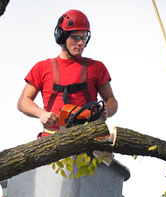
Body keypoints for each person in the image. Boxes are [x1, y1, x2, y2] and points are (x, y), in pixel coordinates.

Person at [17, 9, 118, 138]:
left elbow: (112, 100)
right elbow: (23, 102)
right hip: (53, 139)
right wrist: (41, 113)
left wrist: (107, 110)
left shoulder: (97, 67)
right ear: (62, 37)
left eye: (84, 37)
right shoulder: (42, 67)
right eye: (76, 38)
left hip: (90, 137)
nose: (81, 43)